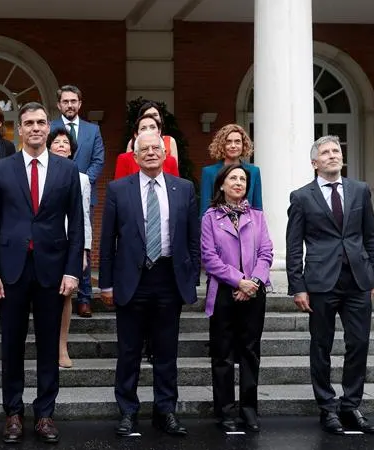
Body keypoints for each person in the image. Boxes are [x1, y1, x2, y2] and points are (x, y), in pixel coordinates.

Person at [0, 102, 84, 444]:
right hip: (10, 271)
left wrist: (73, 271)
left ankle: (44, 414)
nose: (37, 128)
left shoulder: (67, 171)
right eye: (30, 123)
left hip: (52, 271)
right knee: (11, 345)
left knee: (47, 346)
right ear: (19, 129)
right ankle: (13, 413)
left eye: (42, 122)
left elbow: (79, 226)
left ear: (48, 126)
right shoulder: (1, 169)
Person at [99, 131, 200, 438]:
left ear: (166, 154)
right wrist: (105, 284)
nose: (152, 153)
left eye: (157, 148)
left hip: (169, 278)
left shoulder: (184, 189)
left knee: (167, 351)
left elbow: (193, 238)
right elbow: (108, 241)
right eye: (146, 149)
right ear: (136, 155)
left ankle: (165, 411)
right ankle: (128, 412)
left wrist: (192, 275)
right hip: (132, 279)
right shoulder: (118, 189)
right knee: (129, 351)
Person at [286, 135, 374, 435]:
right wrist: (297, 286)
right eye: (325, 152)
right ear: (315, 162)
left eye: (336, 151)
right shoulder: (301, 196)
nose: (332, 156)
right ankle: (327, 408)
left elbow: (370, 236)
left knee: (359, 343)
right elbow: (293, 246)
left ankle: (351, 405)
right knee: (321, 346)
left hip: (357, 279)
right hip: (320, 282)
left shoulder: (360, 190)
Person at [201, 163, 273, 432]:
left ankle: (249, 410)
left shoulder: (257, 216)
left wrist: (253, 282)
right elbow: (209, 258)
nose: (239, 182)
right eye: (233, 178)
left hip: (254, 292)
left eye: (243, 179)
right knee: (222, 355)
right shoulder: (210, 217)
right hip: (223, 292)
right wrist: (238, 280)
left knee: (250, 353)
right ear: (222, 184)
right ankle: (225, 412)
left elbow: (266, 252)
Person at [51, 85, 103, 318]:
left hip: (83, 194)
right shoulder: (50, 128)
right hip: (51, 196)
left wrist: (78, 181)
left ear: (80, 103)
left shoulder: (93, 130)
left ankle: (84, 297)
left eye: (74, 101)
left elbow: (98, 161)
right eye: (65, 101)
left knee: (83, 243)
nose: (70, 105)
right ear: (59, 104)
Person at [46, 128, 91, 369]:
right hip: (40, 243)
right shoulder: (38, 170)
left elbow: (84, 217)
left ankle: (61, 347)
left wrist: (83, 250)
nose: (62, 145)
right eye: (57, 142)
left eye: (66, 143)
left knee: (65, 296)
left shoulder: (81, 177)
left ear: (72, 150)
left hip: (68, 243)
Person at [200, 124, 262, 216]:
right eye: (228, 142)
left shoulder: (254, 172)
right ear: (222, 145)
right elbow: (204, 210)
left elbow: (258, 208)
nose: (233, 146)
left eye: (237, 142)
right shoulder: (209, 172)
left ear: (243, 144)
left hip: (248, 227)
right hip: (217, 227)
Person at [123, 100, 180, 176]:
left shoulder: (170, 141)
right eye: (148, 115)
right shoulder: (132, 143)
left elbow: (174, 169)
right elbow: (128, 166)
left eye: (155, 114)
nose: (152, 117)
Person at [115, 113, 178, 179]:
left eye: (152, 127)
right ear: (136, 134)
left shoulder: (170, 161)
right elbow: (120, 187)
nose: (148, 130)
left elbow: (175, 186)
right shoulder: (124, 159)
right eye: (143, 128)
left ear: (159, 132)